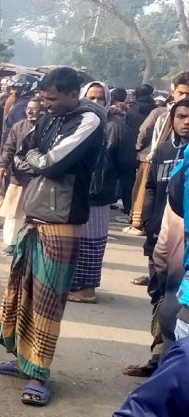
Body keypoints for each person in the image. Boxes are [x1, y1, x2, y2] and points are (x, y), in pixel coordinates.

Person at [0, 66, 103, 407]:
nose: (46, 104)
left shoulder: (88, 120)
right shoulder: (52, 117)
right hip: (36, 217)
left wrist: (34, 159)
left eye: (52, 98)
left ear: (72, 93)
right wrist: (34, 159)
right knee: (23, 294)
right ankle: (23, 361)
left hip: (62, 222)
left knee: (47, 303)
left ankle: (39, 373)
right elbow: (24, 156)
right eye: (43, 98)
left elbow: (51, 162)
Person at [123, 99, 189, 377]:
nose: (186, 121)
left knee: (176, 307)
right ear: (171, 119)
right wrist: (148, 221)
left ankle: (166, 369)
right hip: (161, 235)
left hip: (181, 245)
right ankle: (157, 358)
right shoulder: (162, 151)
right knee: (159, 298)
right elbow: (150, 188)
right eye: (181, 116)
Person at [69, 82, 135, 303]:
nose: (94, 103)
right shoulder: (76, 122)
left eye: (99, 99)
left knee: (92, 242)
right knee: (74, 241)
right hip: (76, 192)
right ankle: (73, 285)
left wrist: (131, 204)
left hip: (99, 194)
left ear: (107, 100)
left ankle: (87, 290)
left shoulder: (116, 127)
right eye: (90, 97)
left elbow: (127, 168)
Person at [0, 98, 45, 254]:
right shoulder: (18, 126)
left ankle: (30, 246)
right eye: (28, 108)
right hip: (19, 175)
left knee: (35, 214)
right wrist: (2, 166)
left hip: (39, 177)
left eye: (34, 108)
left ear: (42, 110)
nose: (30, 111)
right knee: (13, 212)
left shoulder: (47, 128)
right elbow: (8, 148)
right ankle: (11, 243)